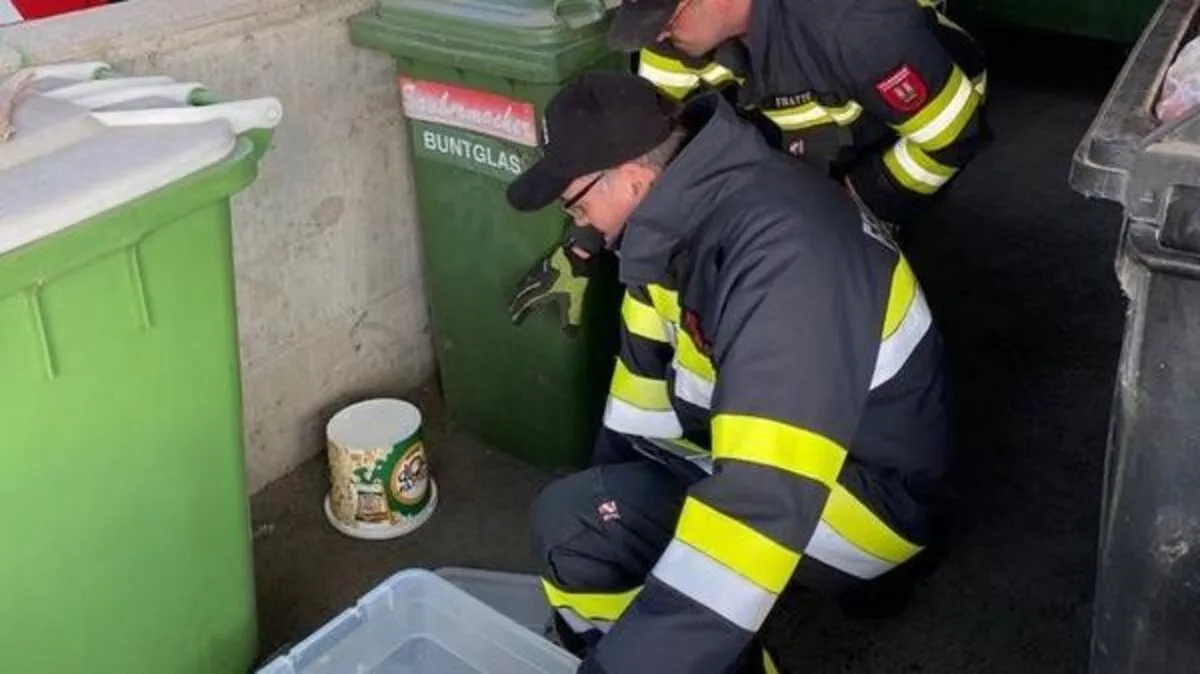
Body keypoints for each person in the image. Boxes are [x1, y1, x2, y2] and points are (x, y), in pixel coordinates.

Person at [505, 71, 955, 674]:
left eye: (577, 204)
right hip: (814, 460)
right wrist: (609, 513)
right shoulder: (670, 233)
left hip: (875, 497)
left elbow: (761, 504)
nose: (581, 224)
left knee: (582, 528)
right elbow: (636, 413)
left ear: (633, 179)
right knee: (585, 513)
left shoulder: (784, 258)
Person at [508, 0, 990, 333]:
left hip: (919, 120)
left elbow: (952, 137)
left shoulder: (856, 30)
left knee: (856, 269)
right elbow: (637, 141)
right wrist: (585, 240)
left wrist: (856, 205)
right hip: (798, 114)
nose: (656, 34)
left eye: (663, 18)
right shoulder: (676, 28)